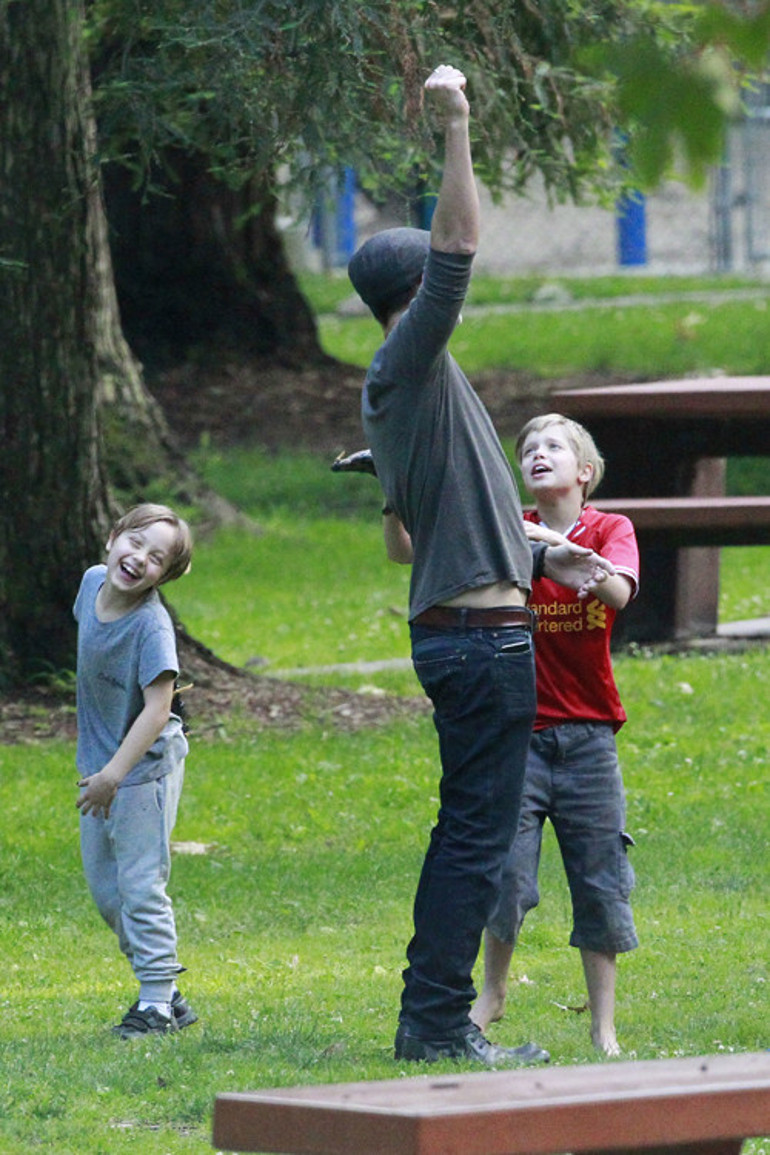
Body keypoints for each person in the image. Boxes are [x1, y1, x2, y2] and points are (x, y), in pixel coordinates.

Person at [346, 64, 614, 1067]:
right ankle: (432, 1026)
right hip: (480, 645)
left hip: (471, 632)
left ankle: (434, 1018)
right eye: (437, 291)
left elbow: (441, 527)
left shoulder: (412, 385)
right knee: (472, 841)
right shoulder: (408, 358)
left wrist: (543, 554)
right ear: (411, 300)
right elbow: (457, 243)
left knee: (465, 833)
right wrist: (455, 124)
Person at [471, 414, 639, 1056]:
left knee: (600, 879)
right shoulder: (505, 526)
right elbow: (416, 554)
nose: (538, 455)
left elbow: (620, 593)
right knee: (505, 877)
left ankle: (603, 1026)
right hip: (517, 736)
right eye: (529, 450)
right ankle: (492, 996)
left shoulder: (609, 529)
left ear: (584, 472)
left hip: (589, 736)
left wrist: (577, 561)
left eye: (553, 448)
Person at [74, 503, 197, 1039]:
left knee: (141, 886)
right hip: (100, 767)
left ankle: (153, 1003)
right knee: (107, 892)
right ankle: (166, 989)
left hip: (141, 770)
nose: (139, 558)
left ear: (164, 577)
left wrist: (114, 775)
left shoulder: (152, 627)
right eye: (136, 542)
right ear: (113, 536)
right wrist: (100, 770)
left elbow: (157, 708)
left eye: (157, 558)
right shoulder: (90, 585)